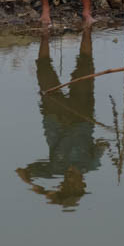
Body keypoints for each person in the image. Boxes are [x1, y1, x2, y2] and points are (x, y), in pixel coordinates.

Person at [16, 28, 105, 208]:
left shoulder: (54, 169)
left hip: (54, 116)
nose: (74, 182)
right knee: (85, 68)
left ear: (62, 184)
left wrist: (43, 192)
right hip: (82, 115)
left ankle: (44, 35)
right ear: (83, 183)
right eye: (77, 185)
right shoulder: (91, 164)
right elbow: (103, 144)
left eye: (69, 186)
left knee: (44, 70)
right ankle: (85, 31)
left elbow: (22, 173)